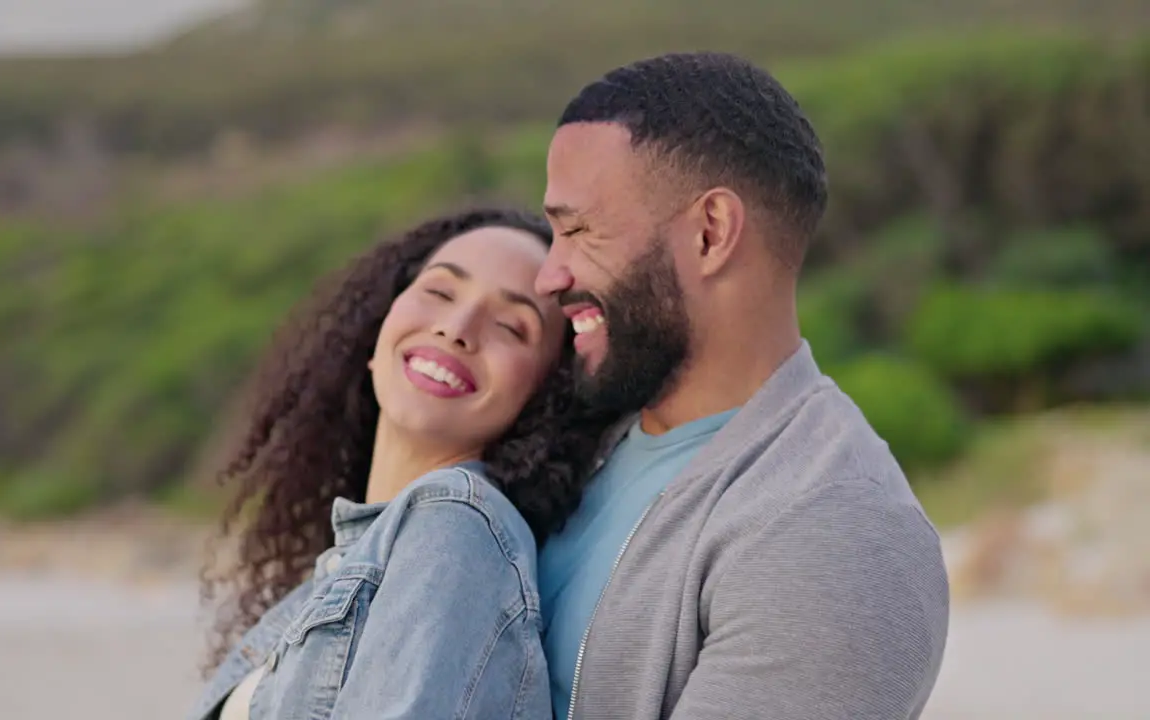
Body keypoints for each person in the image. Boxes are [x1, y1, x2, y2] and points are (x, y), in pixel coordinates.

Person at [534, 52, 950, 719]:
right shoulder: (577, 426)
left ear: (711, 233)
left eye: (578, 230)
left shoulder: (835, 532)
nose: (547, 275)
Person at [186, 207, 612, 720]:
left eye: (509, 326)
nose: (456, 329)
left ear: (545, 398)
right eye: (438, 292)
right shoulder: (362, 557)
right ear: (378, 329)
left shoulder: (455, 525)